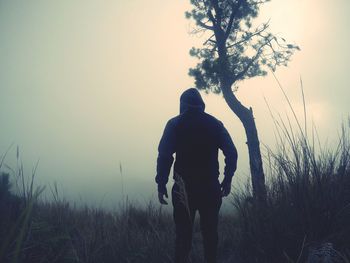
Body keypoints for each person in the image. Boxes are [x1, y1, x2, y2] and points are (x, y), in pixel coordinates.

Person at [155, 88, 238, 263]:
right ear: (202, 105)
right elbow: (231, 152)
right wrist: (227, 179)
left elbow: (164, 155)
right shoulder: (215, 124)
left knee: (183, 237)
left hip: (183, 189)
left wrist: (161, 183)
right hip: (210, 187)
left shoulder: (174, 124)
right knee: (210, 235)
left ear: (182, 105)